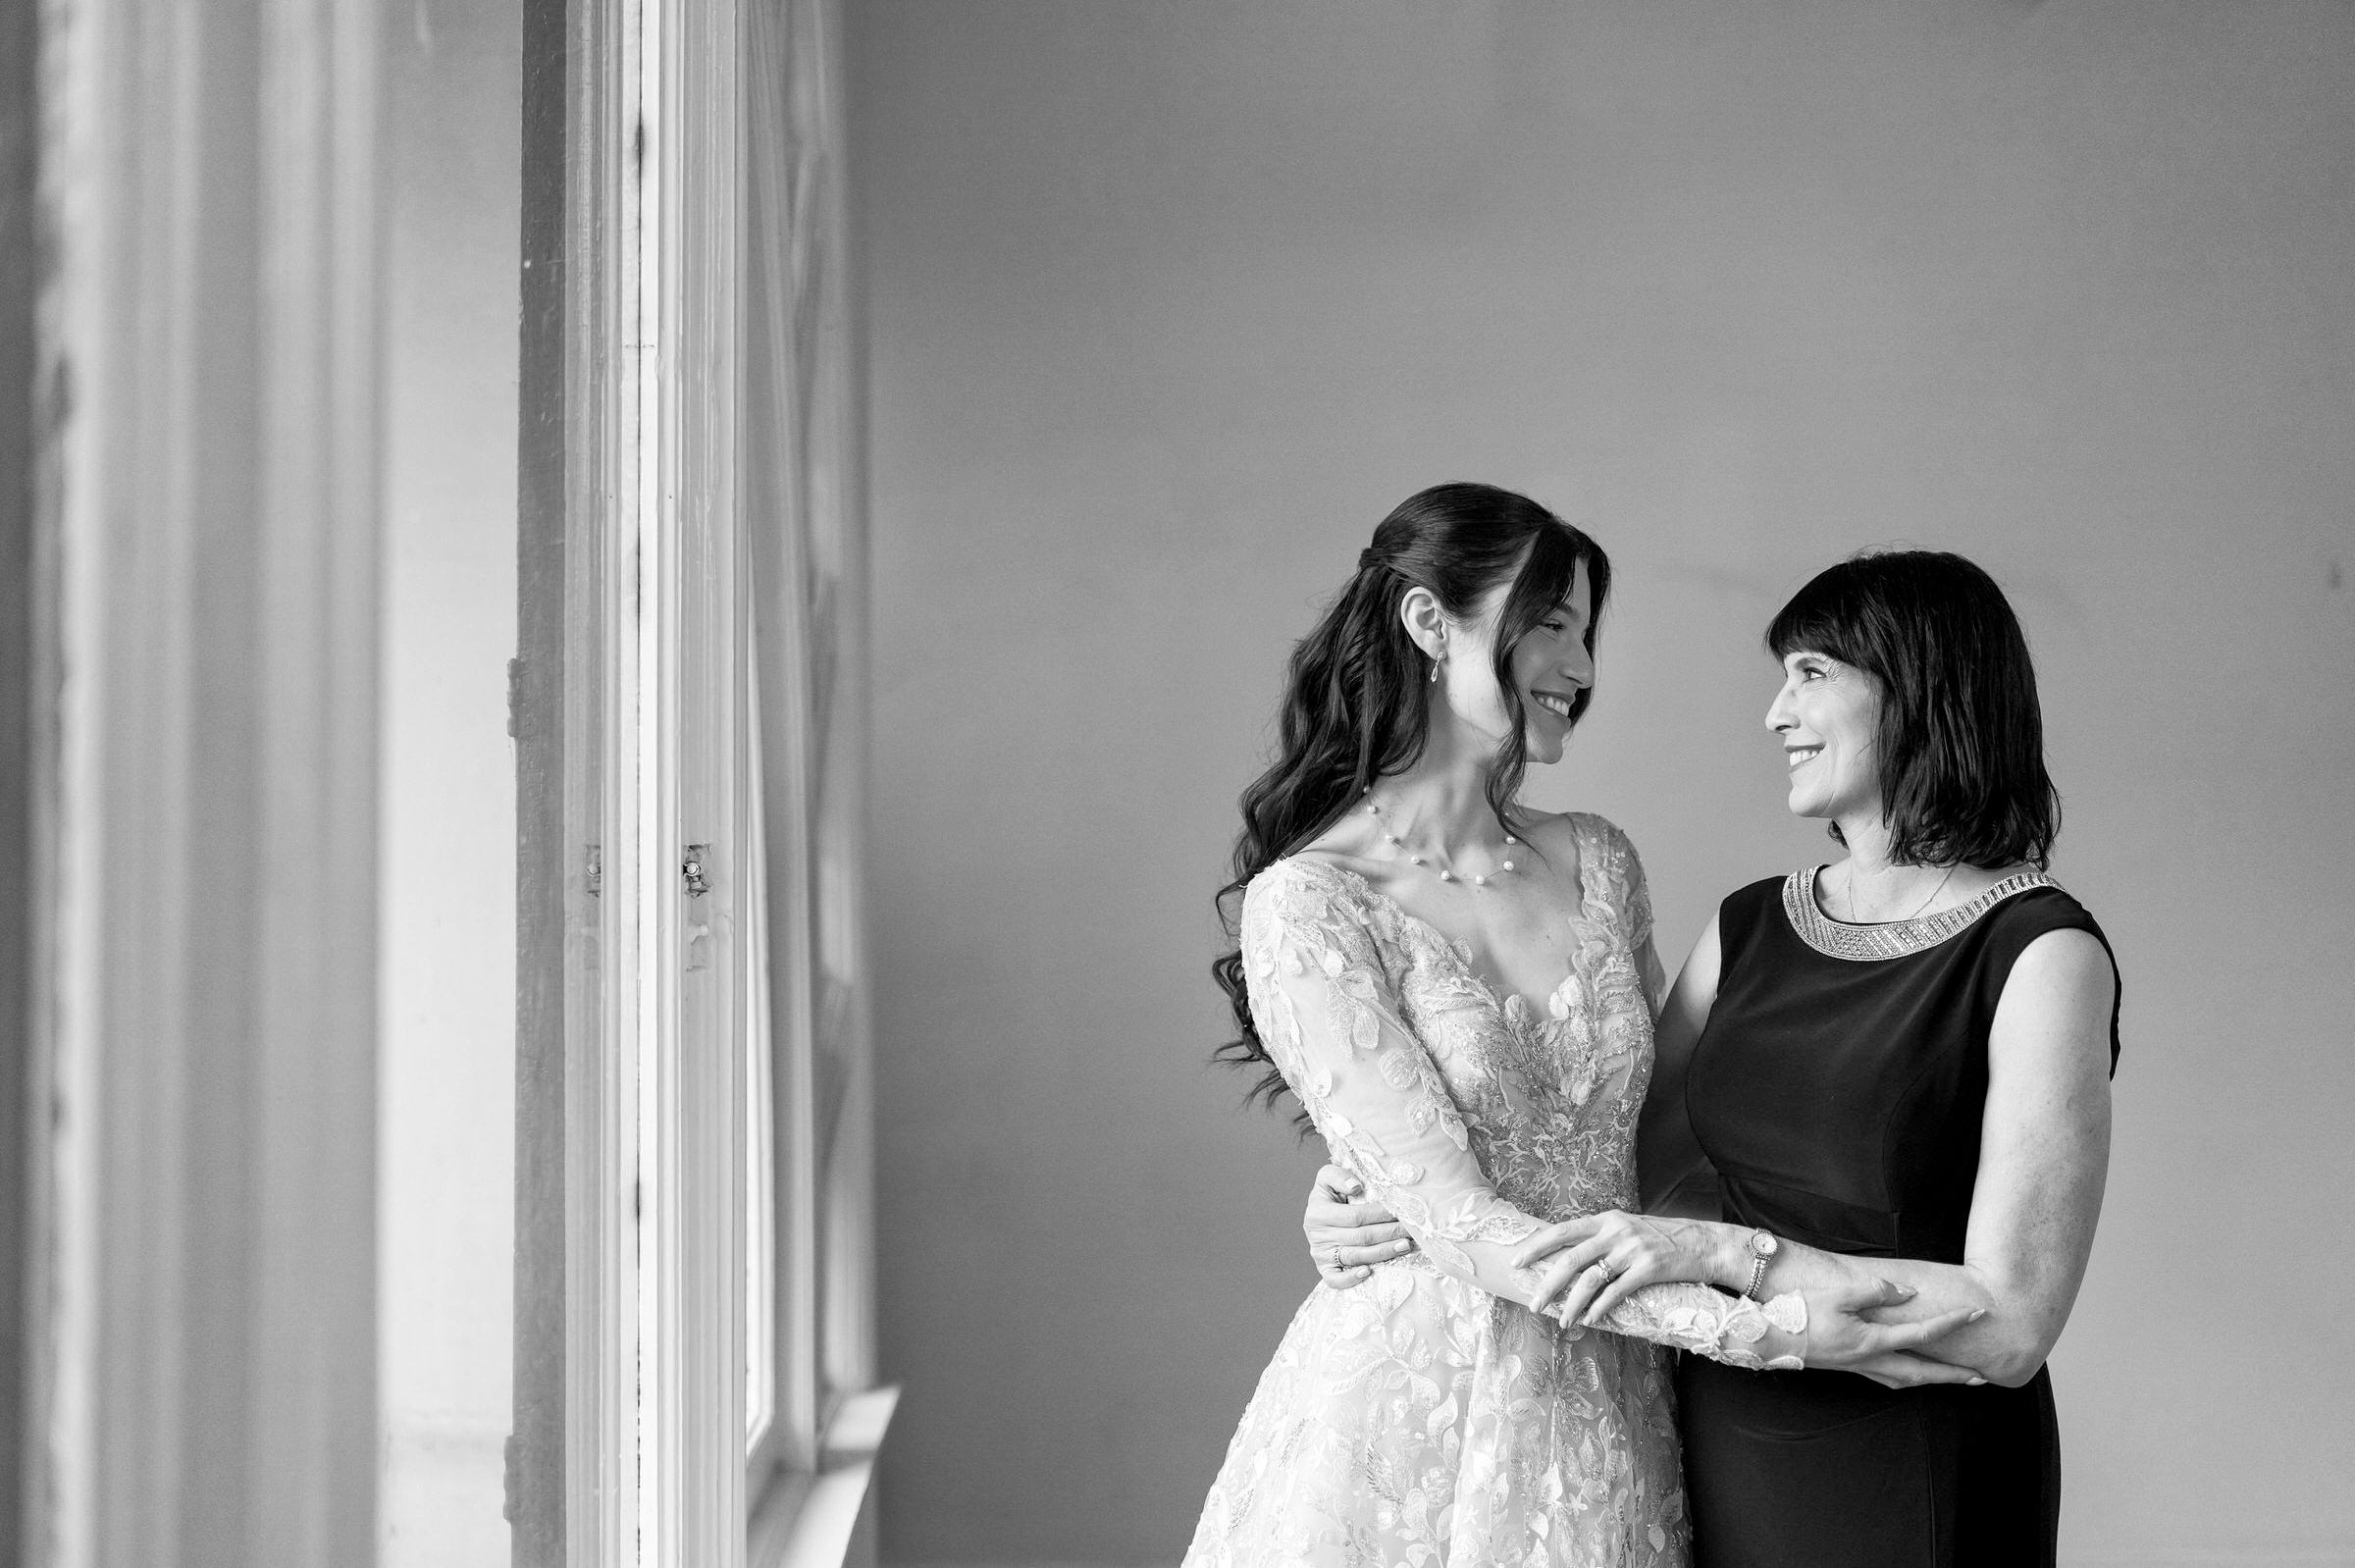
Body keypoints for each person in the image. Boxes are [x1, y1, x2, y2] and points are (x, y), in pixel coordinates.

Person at [1186, 488, 1978, 1568]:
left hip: (1621, 1393)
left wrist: (1789, 1259)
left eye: (1585, 630)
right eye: (1551, 621)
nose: (1583, 663)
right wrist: (1775, 1328)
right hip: (1431, 1399)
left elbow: (1674, 1128)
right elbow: (1459, 1219)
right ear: (1429, 623)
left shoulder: (1598, 859)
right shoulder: (1313, 902)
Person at [1305, 550, 2122, 1567]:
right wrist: (1380, 1190)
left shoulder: (2042, 952)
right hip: (1715, 1433)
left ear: (1923, 688)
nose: (1777, 712)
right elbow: (1610, 1165)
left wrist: (1724, 1254)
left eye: (1813, 674)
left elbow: (2011, 1323)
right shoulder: (1750, 924)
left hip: (1915, 1457)